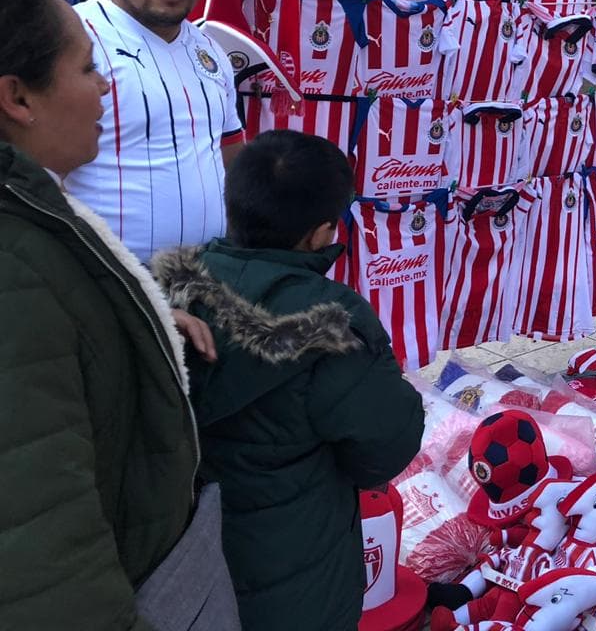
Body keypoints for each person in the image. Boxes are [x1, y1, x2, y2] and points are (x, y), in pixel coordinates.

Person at [0, 0, 234, 628]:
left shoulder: (35, 214)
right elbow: (39, 547)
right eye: (85, 70)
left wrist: (146, 323)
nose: (106, 89)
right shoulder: (14, 264)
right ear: (18, 97)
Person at [152, 129, 426, 631]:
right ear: (320, 232)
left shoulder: (162, 293)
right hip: (294, 576)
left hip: (178, 568)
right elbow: (386, 449)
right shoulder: (333, 324)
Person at [66, 0, 245, 264]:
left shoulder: (211, 49)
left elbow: (229, 154)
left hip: (208, 283)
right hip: (110, 290)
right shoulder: (68, 41)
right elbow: (32, 177)